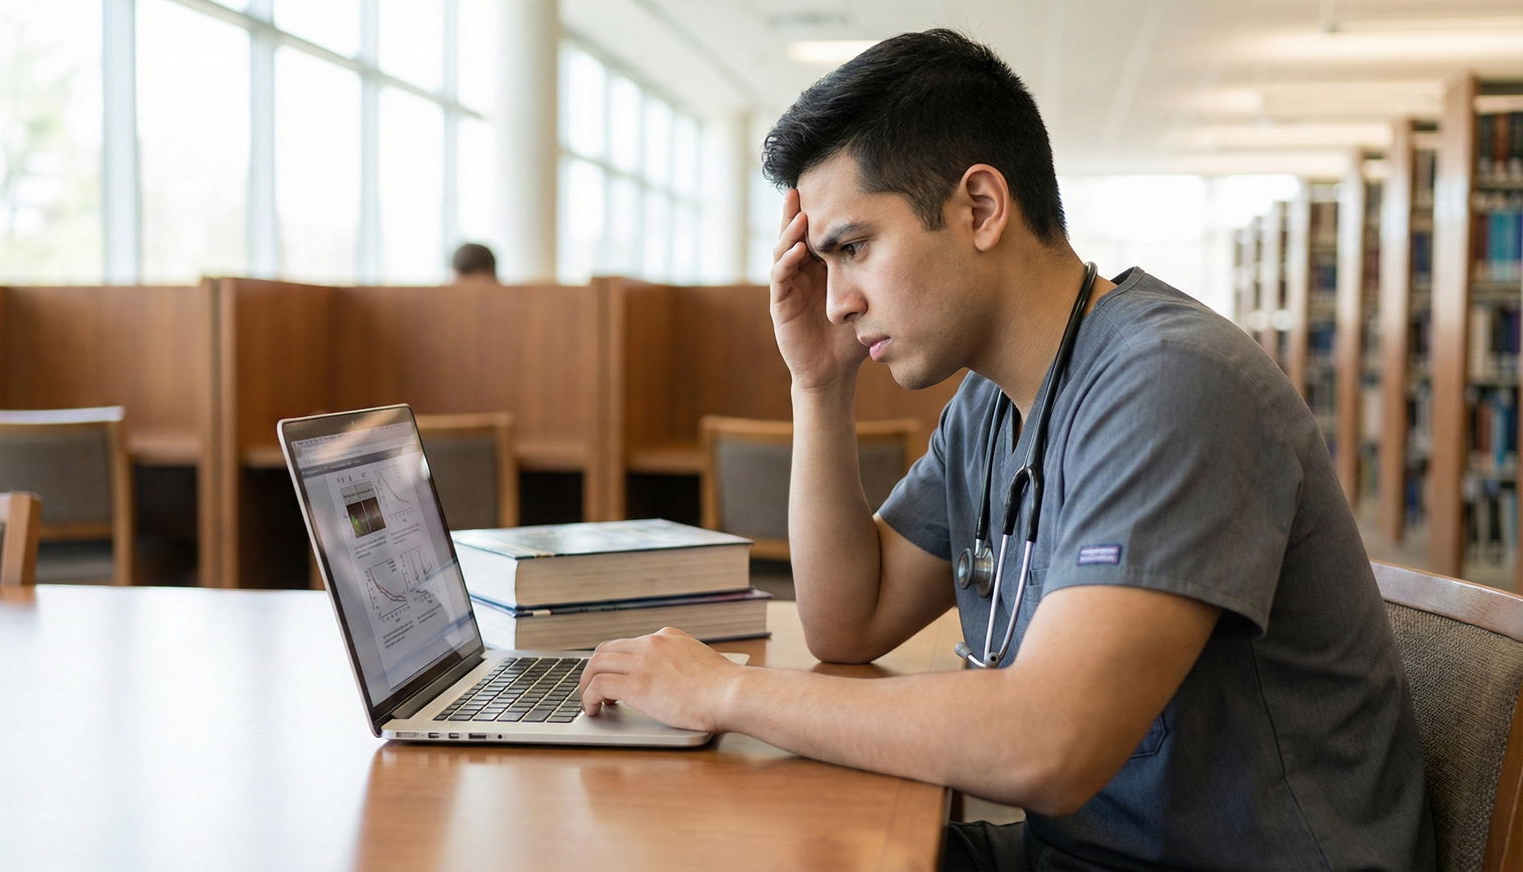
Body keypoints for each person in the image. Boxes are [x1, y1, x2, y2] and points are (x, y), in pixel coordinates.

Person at [576, 29, 1434, 870]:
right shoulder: (991, 404)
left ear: (980, 208)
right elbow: (848, 622)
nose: (836, 301)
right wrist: (819, 385)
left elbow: (1045, 743)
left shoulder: (1172, 381)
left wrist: (725, 690)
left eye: (854, 248)